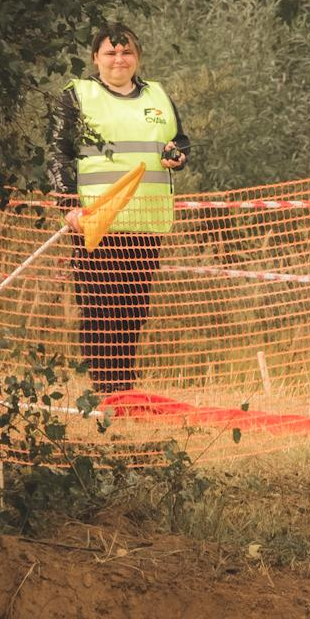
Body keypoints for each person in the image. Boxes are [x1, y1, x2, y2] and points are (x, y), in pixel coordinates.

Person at [45, 23, 193, 396]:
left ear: (137, 57)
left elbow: (181, 142)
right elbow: (58, 154)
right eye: (111, 53)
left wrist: (178, 156)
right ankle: (106, 389)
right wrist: (68, 205)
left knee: (133, 311)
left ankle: (124, 388)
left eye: (126, 52)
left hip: (146, 224)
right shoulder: (77, 96)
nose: (119, 59)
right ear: (96, 58)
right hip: (96, 224)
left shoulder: (157, 96)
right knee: (99, 310)